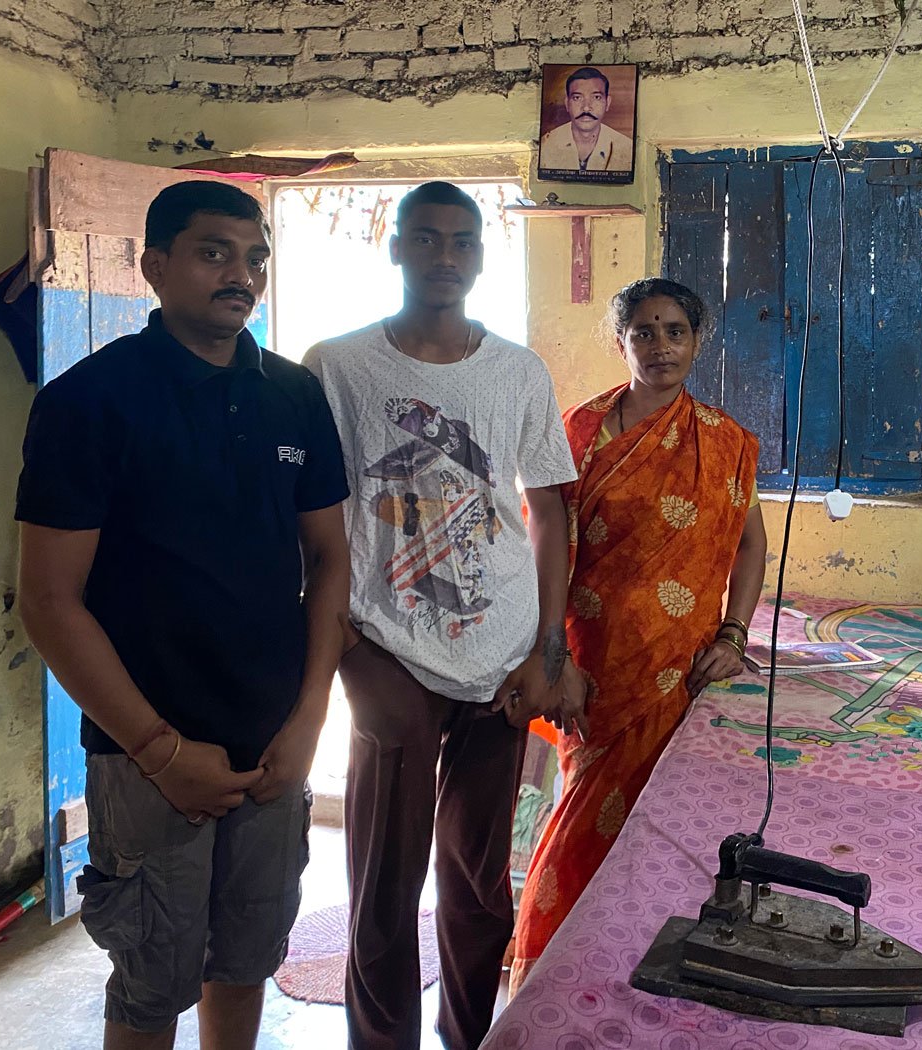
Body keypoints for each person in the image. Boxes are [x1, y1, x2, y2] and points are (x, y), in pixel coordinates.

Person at [16, 180, 351, 1050]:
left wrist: (310, 720)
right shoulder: (88, 404)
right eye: (214, 253)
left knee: (245, 958)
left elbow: (331, 559)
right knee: (151, 979)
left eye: (256, 258)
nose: (242, 275)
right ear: (155, 266)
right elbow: (50, 602)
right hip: (145, 755)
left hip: (272, 745)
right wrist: (161, 750)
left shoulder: (292, 396)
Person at [302, 181, 586, 1050]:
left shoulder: (517, 371)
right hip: (388, 647)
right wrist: (341, 645)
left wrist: (547, 647)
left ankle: (471, 1038)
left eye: (463, 243)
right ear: (394, 249)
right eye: (426, 240)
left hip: (499, 653)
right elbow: (306, 509)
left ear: (480, 257)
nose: (446, 258)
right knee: (385, 884)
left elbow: (550, 512)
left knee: (476, 882)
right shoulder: (337, 366)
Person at [508, 277, 768, 990]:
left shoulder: (724, 440)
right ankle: (552, 975)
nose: (661, 346)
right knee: (585, 812)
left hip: (679, 668)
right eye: (644, 332)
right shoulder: (579, 432)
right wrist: (551, 654)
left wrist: (734, 634)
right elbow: (548, 546)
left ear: (696, 340)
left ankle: (634, 968)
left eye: (675, 331)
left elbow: (750, 547)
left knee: (661, 822)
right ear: (620, 342)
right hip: (593, 662)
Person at [538, 66, 634, 174]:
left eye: (596, 97)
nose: (586, 108)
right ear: (567, 104)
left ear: (607, 103)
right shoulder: (546, 145)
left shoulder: (627, 148)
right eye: (577, 98)